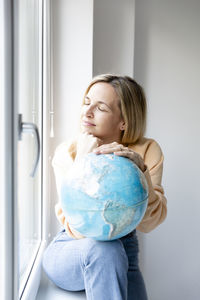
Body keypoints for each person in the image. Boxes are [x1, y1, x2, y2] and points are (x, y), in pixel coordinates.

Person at [42, 74, 167, 300]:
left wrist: (142, 172)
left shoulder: (147, 150)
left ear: (124, 121)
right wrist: (82, 160)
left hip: (126, 252)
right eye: (87, 102)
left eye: (100, 107)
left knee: (113, 253)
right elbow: (77, 228)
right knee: (105, 250)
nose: (87, 112)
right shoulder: (67, 152)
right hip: (72, 247)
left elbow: (150, 223)